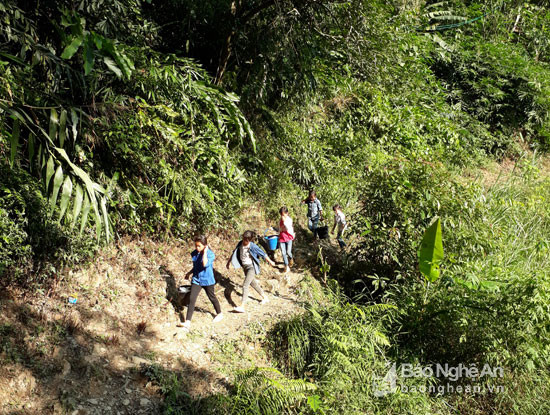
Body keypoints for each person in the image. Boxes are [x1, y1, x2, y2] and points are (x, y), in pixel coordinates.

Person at [180, 235, 223, 330]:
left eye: (199, 246)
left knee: (212, 297)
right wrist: (189, 273)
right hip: (197, 279)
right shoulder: (195, 253)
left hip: (207, 280)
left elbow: (204, 264)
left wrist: (205, 252)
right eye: (196, 246)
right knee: (192, 299)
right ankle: (187, 322)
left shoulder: (210, 254)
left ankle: (219, 313)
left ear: (205, 245)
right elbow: (196, 266)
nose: (197, 248)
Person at [226, 230, 276, 313]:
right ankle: (265, 297)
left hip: (251, 268)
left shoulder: (252, 246)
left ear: (250, 240)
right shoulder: (240, 243)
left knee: (245, 285)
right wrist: (228, 262)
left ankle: (242, 306)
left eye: (246, 240)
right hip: (245, 267)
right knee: (253, 284)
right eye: (243, 239)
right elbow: (234, 252)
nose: (244, 241)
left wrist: (270, 262)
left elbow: (263, 254)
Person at [278, 207, 295, 273]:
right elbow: (280, 229)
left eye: (284, 214)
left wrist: (284, 221)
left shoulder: (289, 220)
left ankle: (291, 258)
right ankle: (286, 265)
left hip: (288, 238)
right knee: (283, 253)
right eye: (281, 215)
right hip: (282, 238)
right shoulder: (280, 221)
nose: (282, 216)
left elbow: (288, 227)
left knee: (288, 252)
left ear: (287, 213)